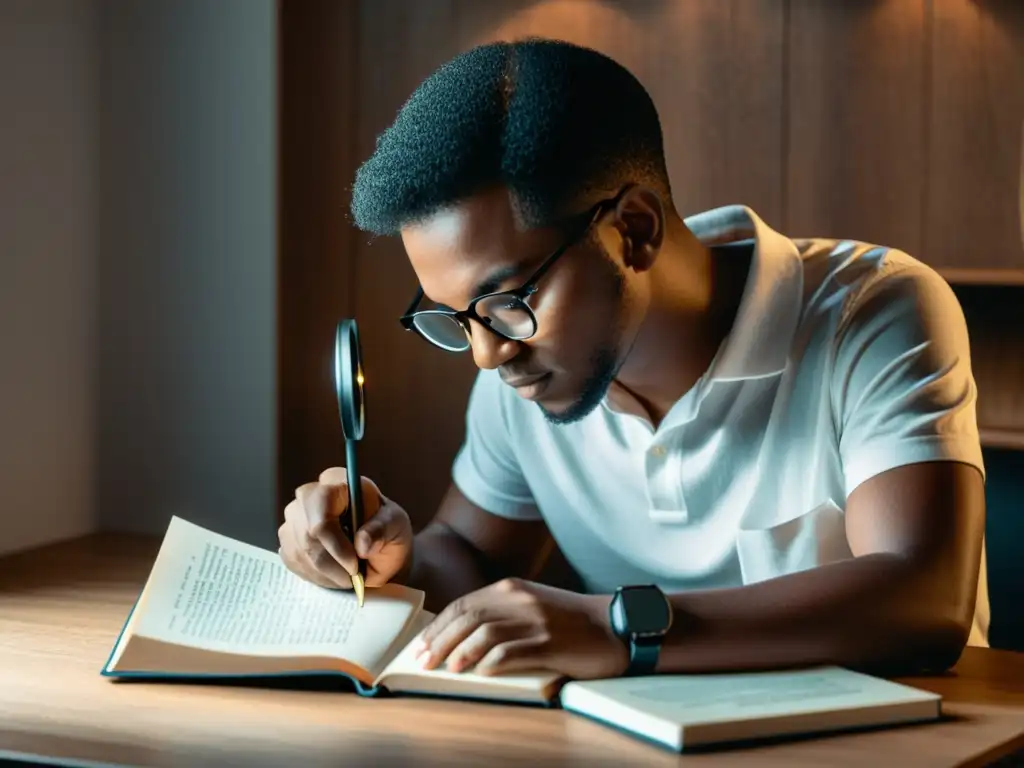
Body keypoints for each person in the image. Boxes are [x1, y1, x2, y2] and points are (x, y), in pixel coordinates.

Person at [278, 38, 988, 681]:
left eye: (507, 301)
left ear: (634, 230)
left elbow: (922, 596)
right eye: (459, 318)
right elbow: (470, 551)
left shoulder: (873, 311)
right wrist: (386, 558)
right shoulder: (523, 369)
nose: (489, 354)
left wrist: (616, 625)